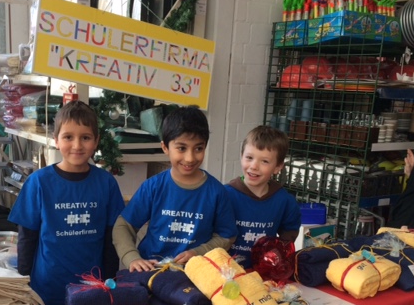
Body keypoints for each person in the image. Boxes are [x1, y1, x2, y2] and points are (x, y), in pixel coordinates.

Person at [8, 100, 125, 305]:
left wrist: (109, 282)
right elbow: (26, 239)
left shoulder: (106, 183)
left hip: (92, 288)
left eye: (85, 137)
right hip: (46, 289)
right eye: (68, 137)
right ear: (56, 139)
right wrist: (23, 284)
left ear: (96, 141)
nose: (77, 145)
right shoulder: (38, 182)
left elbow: (112, 240)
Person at [113, 106, 237, 272]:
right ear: (165, 147)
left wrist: (198, 252)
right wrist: (132, 258)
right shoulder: (153, 187)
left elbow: (227, 236)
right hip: (152, 270)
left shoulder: (216, 192)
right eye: (181, 148)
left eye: (198, 148)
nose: (190, 158)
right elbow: (123, 226)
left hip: (196, 273)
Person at [224, 125, 301, 269]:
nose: (254, 166)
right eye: (249, 158)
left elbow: (290, 231)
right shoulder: (225, 195)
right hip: (225, 271)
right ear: (241, 156)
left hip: (263, 273)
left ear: (278, 167)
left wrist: (278, 254)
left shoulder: (284, 200)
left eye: (264, 161)